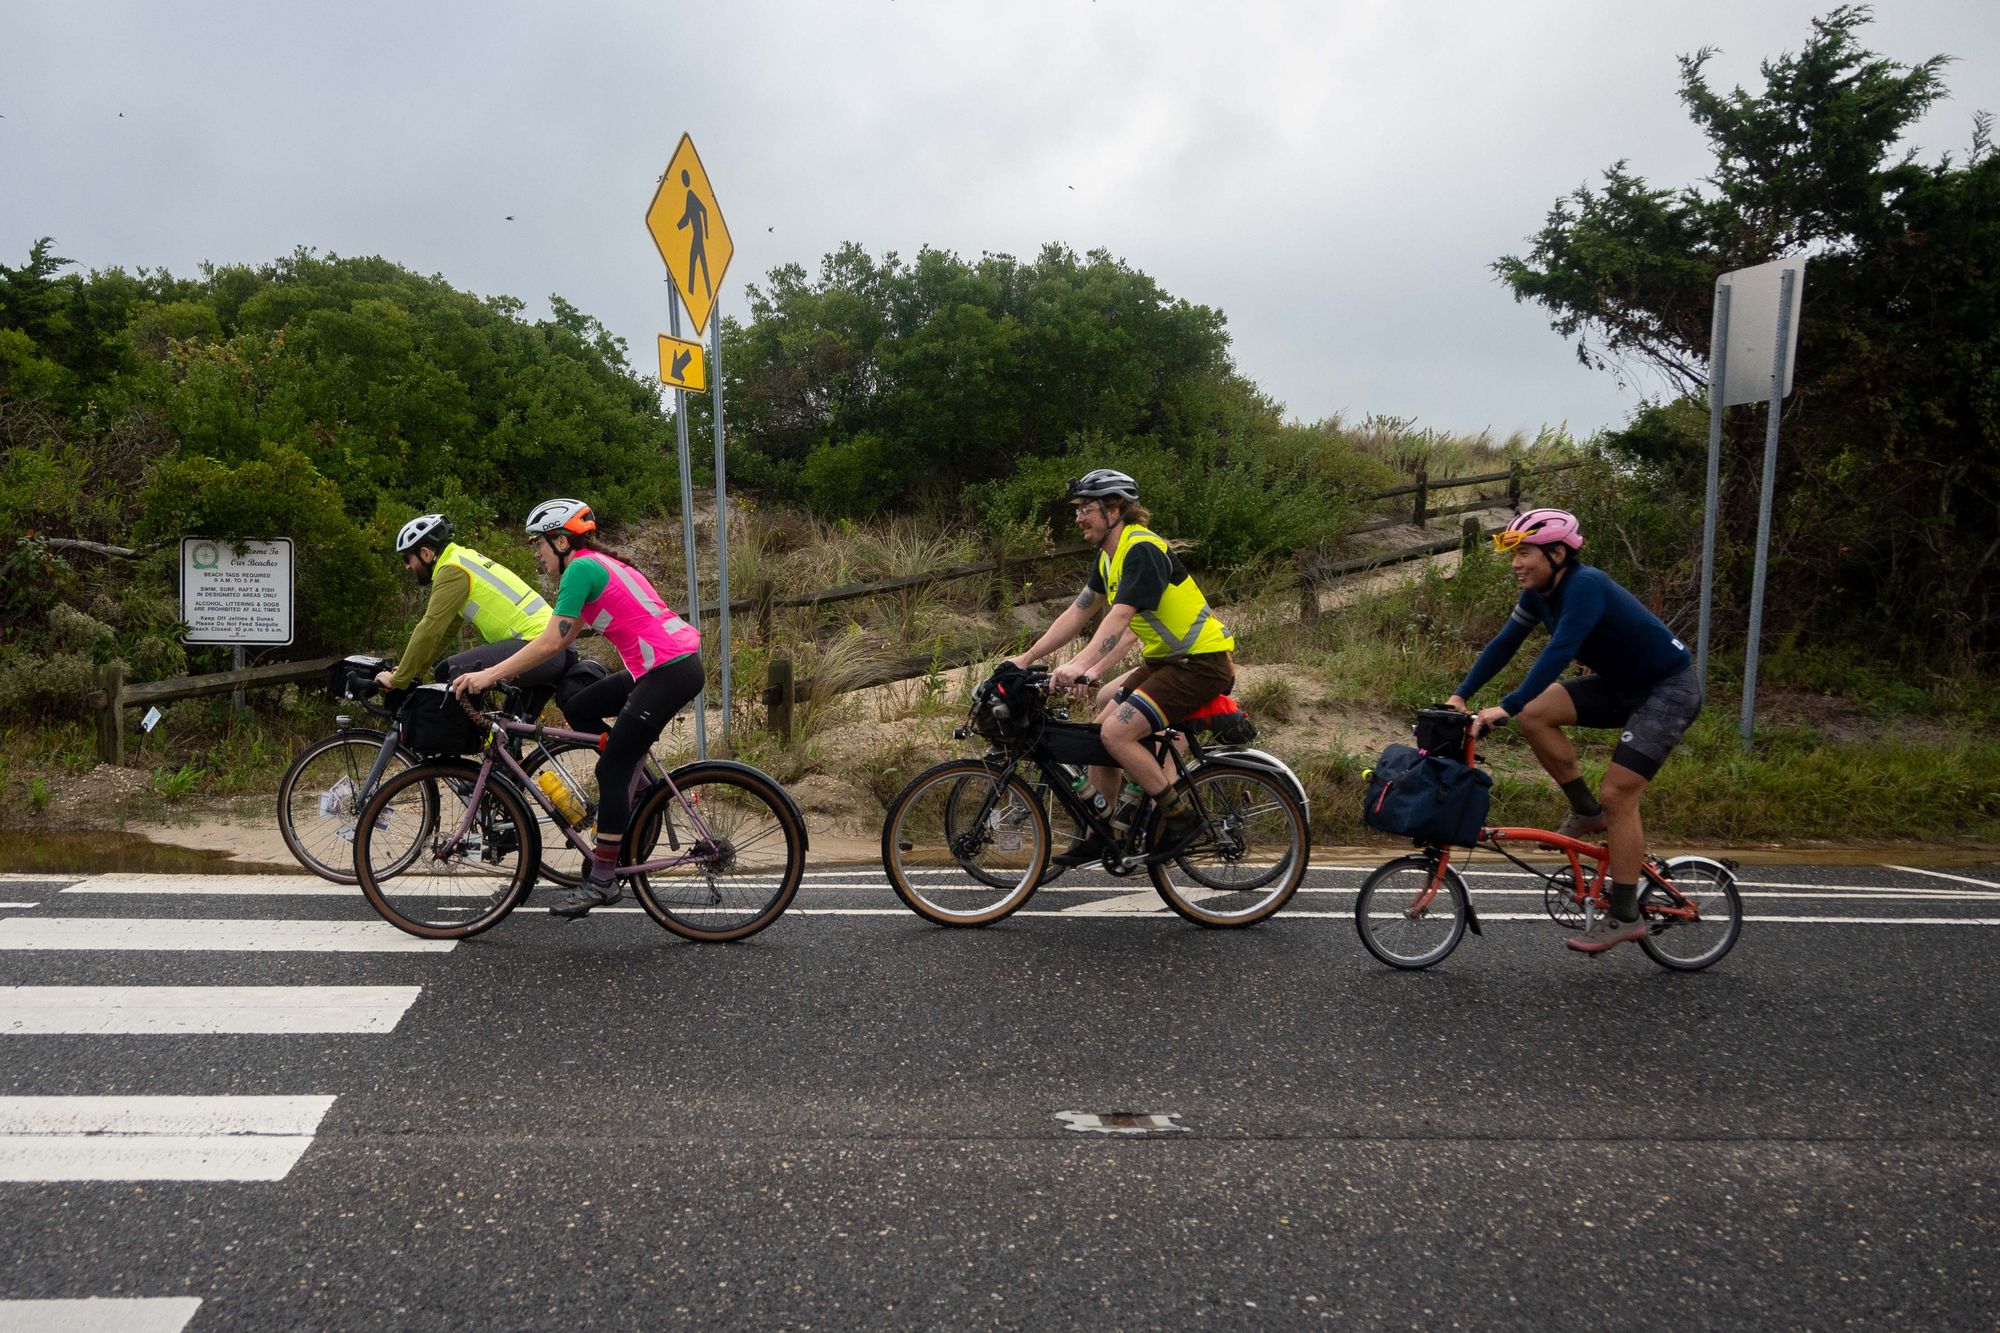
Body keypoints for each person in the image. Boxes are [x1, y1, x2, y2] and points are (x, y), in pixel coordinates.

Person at [1449, 507, 1703, 954]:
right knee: (1535, 715)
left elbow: (1561, 651)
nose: (1515, 563)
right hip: (1622, 685)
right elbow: (1503, 645)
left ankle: (1625, 914)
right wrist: (1461, 694)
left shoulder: (1586, 585)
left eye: (1524, 552)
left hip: (1667, 688)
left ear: (1559, 553)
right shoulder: (1537, 595)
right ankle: (1586, 810)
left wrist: (1505, 705)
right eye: (1513, 553)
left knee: (1619, 795)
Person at [450, 499, 704, 918]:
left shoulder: (582, 569)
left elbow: (550, 642)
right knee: (578, 703)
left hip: (666, 671)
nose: (537, 554)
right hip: (664, 666)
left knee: (610, 770)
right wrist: (510, 671)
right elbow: (561, 638)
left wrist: (489, 675)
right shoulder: (595, 565)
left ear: (562, 540)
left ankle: (603, 879)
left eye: (540, 545)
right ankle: (639, 790)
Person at [1008, 469, 1236, 865]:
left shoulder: (1142, 549)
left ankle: (1182, 821)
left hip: (1201, 663)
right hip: (1167, 661)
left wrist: (1082, 664)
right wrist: (1026, 659)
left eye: (1086, 508)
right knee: (1100, 729)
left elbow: (1121, 617)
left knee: (1117, 733)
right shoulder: (1109, 557)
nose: (1078, 517)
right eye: (1077, 509)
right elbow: (1077, 613)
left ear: (1114, 509)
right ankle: (1107, 828)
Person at [374, 513, 572, 696]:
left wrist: (398, 680)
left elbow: (429, 628)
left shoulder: (452, 570)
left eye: (407, 558)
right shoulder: (464, 558)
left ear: (425, 553)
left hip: (537, 646)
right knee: (513, 728)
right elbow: (443, 634)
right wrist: (414, 670)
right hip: (556, 646)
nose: (407, 566)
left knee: (447, 671)